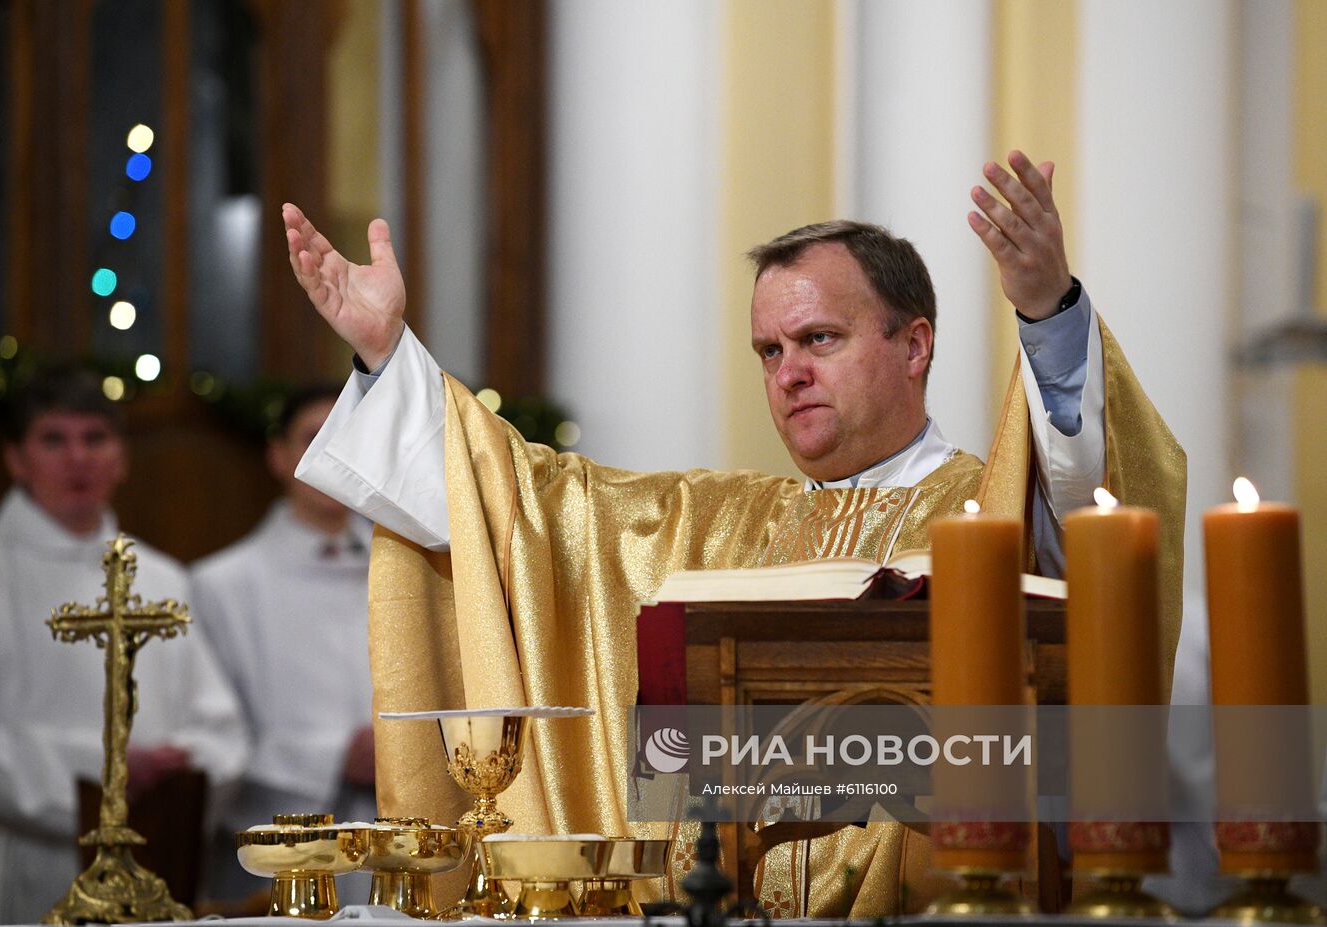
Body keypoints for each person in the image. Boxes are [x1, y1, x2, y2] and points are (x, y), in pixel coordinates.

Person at [283, 151, 1186, 915]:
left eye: (819, 339)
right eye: (769, 351)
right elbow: (518, 510)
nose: (788, 372)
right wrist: (386, 355)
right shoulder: (712, 524)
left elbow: (1100, 515)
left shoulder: (987, 512)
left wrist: (1048, 312)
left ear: (915, 345)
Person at [0, 367, 248, 927]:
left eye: (95, 438)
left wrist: (176, 775)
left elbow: (222, 732)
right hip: (17, 865)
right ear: (16, 460)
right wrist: (105, 775)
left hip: (149, 862)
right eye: (54, 439)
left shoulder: (164, 579)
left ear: (121, 458)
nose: (78, 458)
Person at [190, 386, 377, 901]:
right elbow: (211, 734)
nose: (331, 455)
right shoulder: (222, 585)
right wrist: (334, 758)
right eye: (313, 438)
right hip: (273, 853)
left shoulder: (406, 579)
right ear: (278, 456)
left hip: (391, 850)